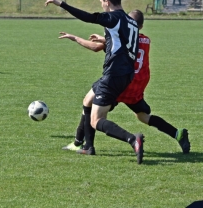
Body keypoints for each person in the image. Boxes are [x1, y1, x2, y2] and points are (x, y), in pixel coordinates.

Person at [59, 10, 190, 155]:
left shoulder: (124, 39)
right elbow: (133, 41)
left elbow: (96, 47)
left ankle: (89, 145)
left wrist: (75, 38)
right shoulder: (146, 40)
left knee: (92, 108)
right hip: (137, 84)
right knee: (143, 116)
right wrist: (105, 38)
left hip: (121, 81)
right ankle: (177, 133)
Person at [44, 0, 144, 164]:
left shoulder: (112, 18)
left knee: (96, 120)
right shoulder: (131, 22)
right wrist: (105, 39)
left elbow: (88, 17)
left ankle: (132, 139)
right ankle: (88, 147)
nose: (101, 5)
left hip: (114, 74)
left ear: (107, 2)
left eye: (101, 2)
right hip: (126, 74)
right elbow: (123, 42)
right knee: (87, 100)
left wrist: (61, 4)